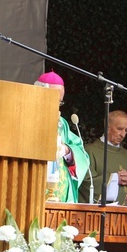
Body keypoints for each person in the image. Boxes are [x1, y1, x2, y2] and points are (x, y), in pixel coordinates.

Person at [35, 71, 89, 203]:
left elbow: (81, 152)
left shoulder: (62, 123)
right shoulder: (26, 116)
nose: (57, 106)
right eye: (54, 100)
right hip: (35, 186)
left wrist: (66, 150)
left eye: (60, 102)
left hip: (59, 191)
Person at [78, 110, 127, 205]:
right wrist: (115, 178)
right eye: (120, 129)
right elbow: (86, 181)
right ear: (107, 128)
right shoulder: (89, 151)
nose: (123, 134)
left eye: (126, 130)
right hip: (100, 214)